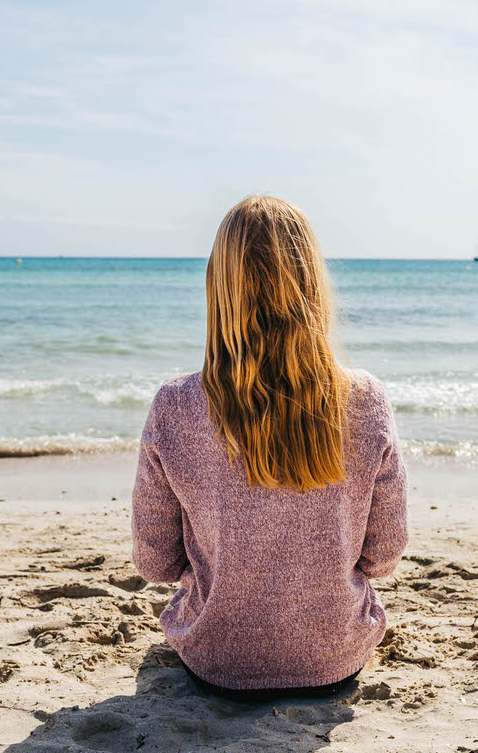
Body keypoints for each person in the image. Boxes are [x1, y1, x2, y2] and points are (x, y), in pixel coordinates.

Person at [131, 194, 408, 699]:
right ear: (312, 284)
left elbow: (156, 564)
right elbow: (384, 557)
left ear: (219, 287)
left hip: (217, 659)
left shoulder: (175, 404)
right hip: (335, 655)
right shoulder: (365, 399)